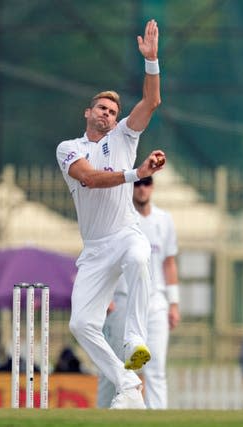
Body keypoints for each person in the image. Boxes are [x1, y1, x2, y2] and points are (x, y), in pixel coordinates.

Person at [55, 19, 165, 409]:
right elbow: (89, 179)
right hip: (96, 248)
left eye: (113, 110)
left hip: (125, 233)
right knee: (81, 324)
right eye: (101, 108)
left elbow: (151, 102)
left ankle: (135, 340)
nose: (107, 114)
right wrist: (137, 174)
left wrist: (151, 61)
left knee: (139, 255)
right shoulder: (69, 148)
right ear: (88, 112)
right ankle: (128, 386)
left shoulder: (125, 135)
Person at [97, 175, 180, 409]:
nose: (142, 188)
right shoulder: (118, 219)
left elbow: (169, 262)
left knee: (155, 369)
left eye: (146, 183)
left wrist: (173, 303)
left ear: (152, 186)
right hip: (123, 301)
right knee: (114, 368)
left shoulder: (164, 220)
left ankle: (156, 419)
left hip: (155, 303)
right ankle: (102, 417)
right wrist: (105, 296)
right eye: (137, 183)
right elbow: (104, 259)